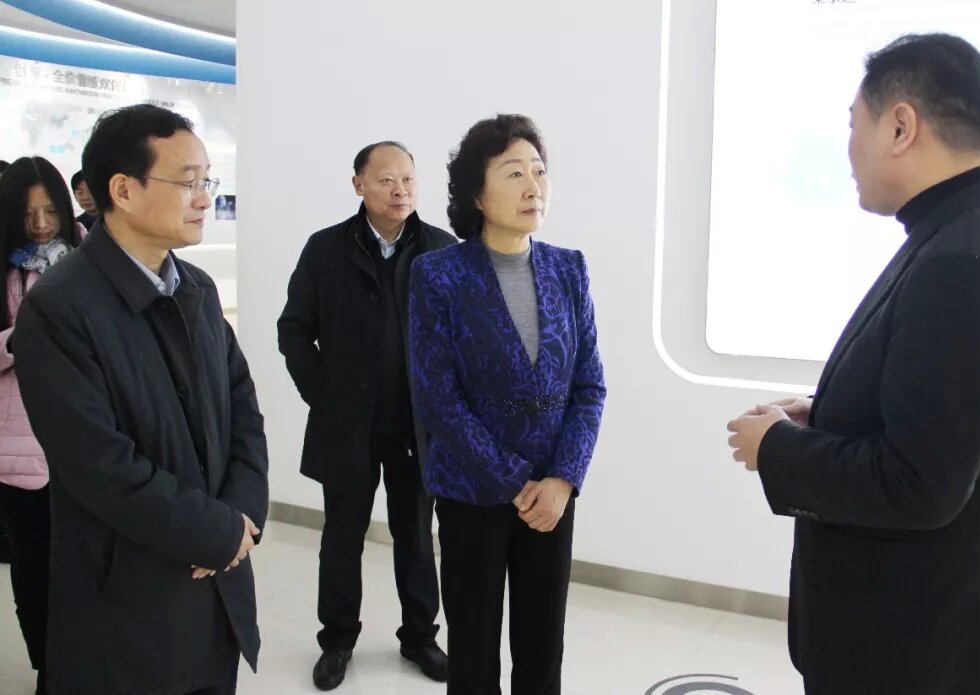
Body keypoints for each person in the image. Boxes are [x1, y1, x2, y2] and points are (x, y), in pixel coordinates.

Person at [727, 33, 980, 695]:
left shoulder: (962, 263)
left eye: (854, 125)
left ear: (901, 126)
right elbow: (940, 417)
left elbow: (919, 483)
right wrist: (826, 415)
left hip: (908, 658)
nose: (848, 149)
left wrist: (778, 450)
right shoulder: (978, 234)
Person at [13, 104, 269, 695]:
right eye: (188, 181)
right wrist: (215, 532)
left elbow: (243, 411)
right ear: (123, 190)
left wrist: (242, 516)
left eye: (207, 181)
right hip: (126, 602)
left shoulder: (198, 288)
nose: (204, 199)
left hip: (217, 585)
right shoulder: (59, 308)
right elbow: (99, 465)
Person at [408, 114, 606, 695]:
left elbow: (589, 385)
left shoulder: (568, 268)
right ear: (477, 193)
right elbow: (436, 396)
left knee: (543, 647)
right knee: (473, 651)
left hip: (552, 496)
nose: (533, 186)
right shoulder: (438, 274)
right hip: (473, 492)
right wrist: (517, 481)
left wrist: (563, 479)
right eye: (514, 173)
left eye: (539, 172)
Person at [278, 141, 455, 690]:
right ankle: (336, 641)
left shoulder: (441, 250)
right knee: (341, 537)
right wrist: (324, 396)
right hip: (347, 426)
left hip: (416, 429)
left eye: (408, 179)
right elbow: (294, 330)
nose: (400, 190)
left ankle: (420, 637)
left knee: (416, 537)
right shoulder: (325, 248)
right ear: (358, 184)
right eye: (386, 180)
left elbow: (461, 339)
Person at [0, 155, 86, 695]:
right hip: (21, 448)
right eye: (27, 213)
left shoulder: (92, 258)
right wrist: (22, 336)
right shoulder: (4, 268)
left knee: (89, 571)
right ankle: (47, 670)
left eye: (49, 211)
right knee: (34, 571)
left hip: (88, 442)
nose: (40, 224)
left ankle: (83, 667)